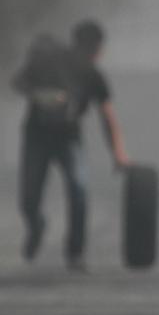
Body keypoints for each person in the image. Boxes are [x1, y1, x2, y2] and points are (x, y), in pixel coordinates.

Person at [12, 20, 130, 271]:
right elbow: (18, 81)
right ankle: (36, 225)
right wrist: (38, 94)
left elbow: (106, 115)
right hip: (37, 135)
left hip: (68, 137)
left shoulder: (92, 74)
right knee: (29, 196)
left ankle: (75, 252)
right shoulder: (47, 61)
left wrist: (118, 153)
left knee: (78, 190)